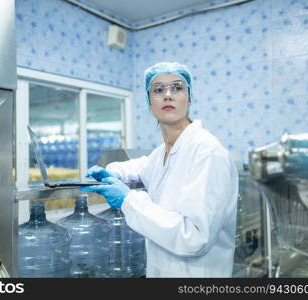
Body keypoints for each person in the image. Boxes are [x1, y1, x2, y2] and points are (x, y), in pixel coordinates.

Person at [80, 62, 238, 278]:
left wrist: (128, 200)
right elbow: (140, 166)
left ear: (189, 98)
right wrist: (111, 171)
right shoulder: (163, 153)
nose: (168, 95)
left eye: (177, 88)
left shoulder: (206, 152)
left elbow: (194, 238)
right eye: (158, 90)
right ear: (149, 102)